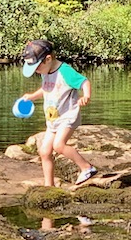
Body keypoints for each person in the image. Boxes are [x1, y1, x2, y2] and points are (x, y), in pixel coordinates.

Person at [19, 39, 97, 187]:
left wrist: (86, 96)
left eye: (36, 67)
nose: (35, 71)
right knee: (44, 151)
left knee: (59, 145)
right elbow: (47, 88)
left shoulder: (64, 71)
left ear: (48, 59)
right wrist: (32, 96)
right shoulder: (45, 71)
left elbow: (84, 82)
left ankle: (87, 168)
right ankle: (49, 185)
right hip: (53, 120)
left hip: (68, 116)